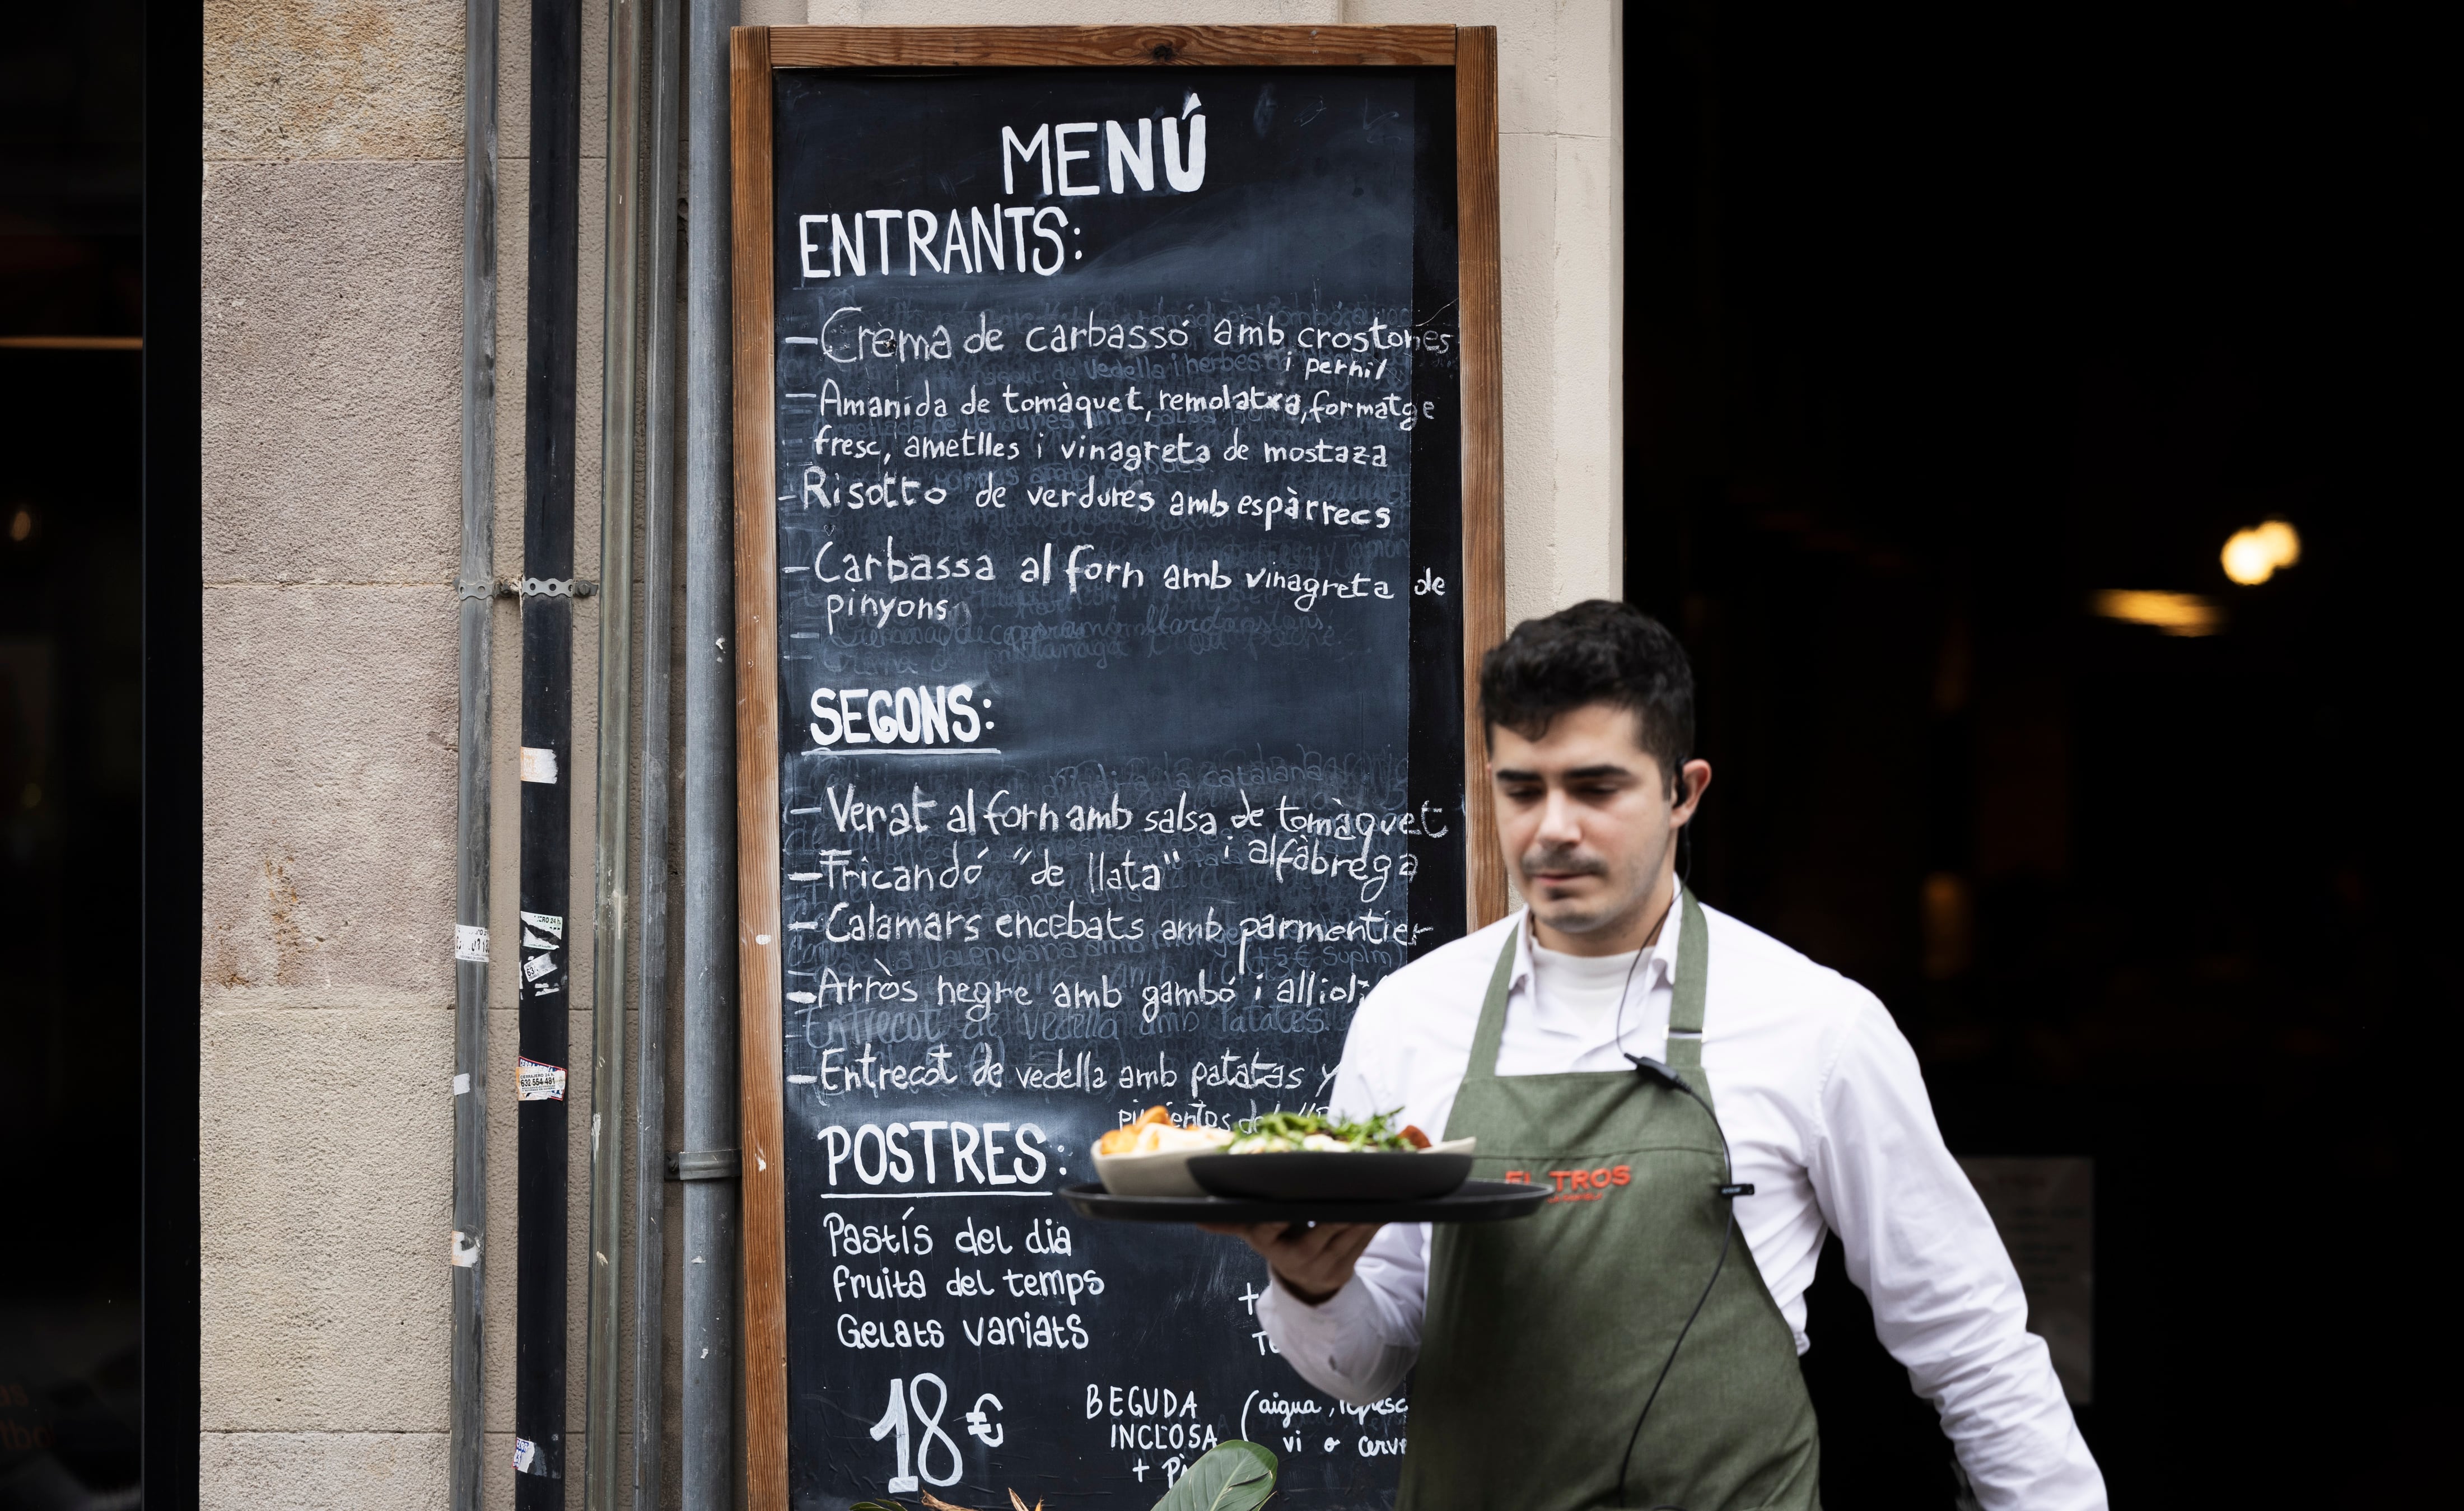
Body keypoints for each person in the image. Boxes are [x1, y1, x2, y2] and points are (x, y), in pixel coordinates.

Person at [1204, 601, 2104, 1511]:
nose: (1552, 827)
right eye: (1523, 788)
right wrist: (1312, 1286)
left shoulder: (1817, 1023)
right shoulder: (1410, 1017)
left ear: (1685, 792)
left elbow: (1972, 1343)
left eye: (1595, 788)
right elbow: (1371, 1364)